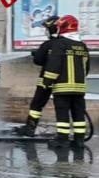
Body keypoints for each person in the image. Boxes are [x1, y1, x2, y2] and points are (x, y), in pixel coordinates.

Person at [43, 15, 90, 150]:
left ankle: (62, 141)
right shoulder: (82, 46)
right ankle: (79, 141)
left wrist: (47, 81)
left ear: (63, 27)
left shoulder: (60, 44)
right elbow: (86, 67)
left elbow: (54, 65)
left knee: (63, 114)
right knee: (78, 114)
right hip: (79, 89)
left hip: (62, 88)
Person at [14, 15, 59, 136]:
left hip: (45, 81)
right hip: (62, 82)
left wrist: (37, 54)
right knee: (62, 107)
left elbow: (38, 60)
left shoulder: (48, 44)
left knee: (37, 105)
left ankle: (30, 127)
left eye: (46, 28)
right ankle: (65, 134)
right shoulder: (67, 44)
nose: (45, 31)